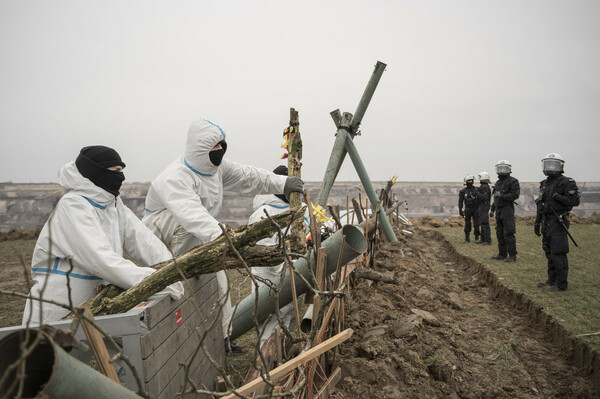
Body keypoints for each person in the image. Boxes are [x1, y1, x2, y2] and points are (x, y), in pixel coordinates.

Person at [142, 119, 304, 356]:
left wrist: (282, 182)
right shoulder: (175, 177)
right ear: (200, 149)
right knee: (186, 227)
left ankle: (225, 338)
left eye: (222, 146)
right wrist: (227, 238)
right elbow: (192, 215)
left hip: (202, 235)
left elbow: (250, 177)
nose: (220, 151)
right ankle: (185, 266)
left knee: (221, 282)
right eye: (214, 147)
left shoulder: (216, 169)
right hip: (164, 238)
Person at [22, 146, 184, 325]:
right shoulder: (73, 206)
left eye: (122, 171)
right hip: (57, 309)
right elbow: (100, 259)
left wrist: (173, 269)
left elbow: (144, 241)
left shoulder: (112, 204)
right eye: (115, 171)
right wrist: (156, 280)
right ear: (96, 172)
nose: (120, 177)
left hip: (93, 306)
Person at [248, 165, 309, 347]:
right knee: (271, 325)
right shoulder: (263, 214)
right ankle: (268, 366)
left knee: (289, 319)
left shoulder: (300, 210)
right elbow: (264, 253)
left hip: (295, 279)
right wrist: (288, 264)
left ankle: (282, 359)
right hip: (271, 281)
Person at [534, 153, 580, 292]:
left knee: (558, 252)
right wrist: (537, 222)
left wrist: (557, 197)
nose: (550, 167)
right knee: (548, 251)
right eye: (548, 164)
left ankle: (561, 284)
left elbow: (574, 201)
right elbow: (540, 205)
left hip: (558, 220)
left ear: (560, 166)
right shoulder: (544, 183)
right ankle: (551, 280)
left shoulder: (567, 182)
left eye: (553, 164)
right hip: (546, 221)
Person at [490, 160, 520, 262]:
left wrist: (502, 196)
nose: (502, 170)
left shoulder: (513, 181)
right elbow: (496, 198)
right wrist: (492, 209)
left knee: (508, 232)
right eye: (500, 168)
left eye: (504, 168)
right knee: (499, 232)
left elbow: (515, 195)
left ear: (509, 170)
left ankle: (512, 255)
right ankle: (502, 254)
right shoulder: (498, 182)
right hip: (499, 209)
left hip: (507, 209)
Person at [458, 175, 479, 243]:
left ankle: (477, 238)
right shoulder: (463, 191)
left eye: (471, 180)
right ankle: (467, 238)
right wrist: (460, 209)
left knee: (476, 223)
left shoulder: (477, 190)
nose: (470, 182)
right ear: (466, 182)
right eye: (469, 180)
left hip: (476, 208)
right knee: (467, 223)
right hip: (467, 209)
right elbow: (460, 201)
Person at [475, 171, 492, 245]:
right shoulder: (483, 186)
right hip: (482, 206)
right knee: (482, 223)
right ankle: (483, 239)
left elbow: (484, 197)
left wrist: (477, 193)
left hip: (484, 206)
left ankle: (487, 240)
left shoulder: (485, 187)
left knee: (485, 223)